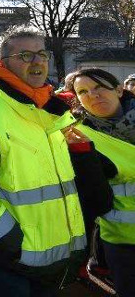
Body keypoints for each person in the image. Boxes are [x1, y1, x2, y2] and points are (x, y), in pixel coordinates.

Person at [0, 25, 86, 296]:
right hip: (9, 259)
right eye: (25, 55)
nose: (37, 61)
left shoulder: (48, 109)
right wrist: (7, 240)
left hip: (51, 252)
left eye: (41, 54)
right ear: (2, 65)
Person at [63, 68, 135, 297]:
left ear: (119, 90)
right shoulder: (79, 135)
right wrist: (82, 156)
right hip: (123, 242)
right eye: (83, 92)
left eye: (99, 87)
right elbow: (95, 200)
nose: (92, 95)